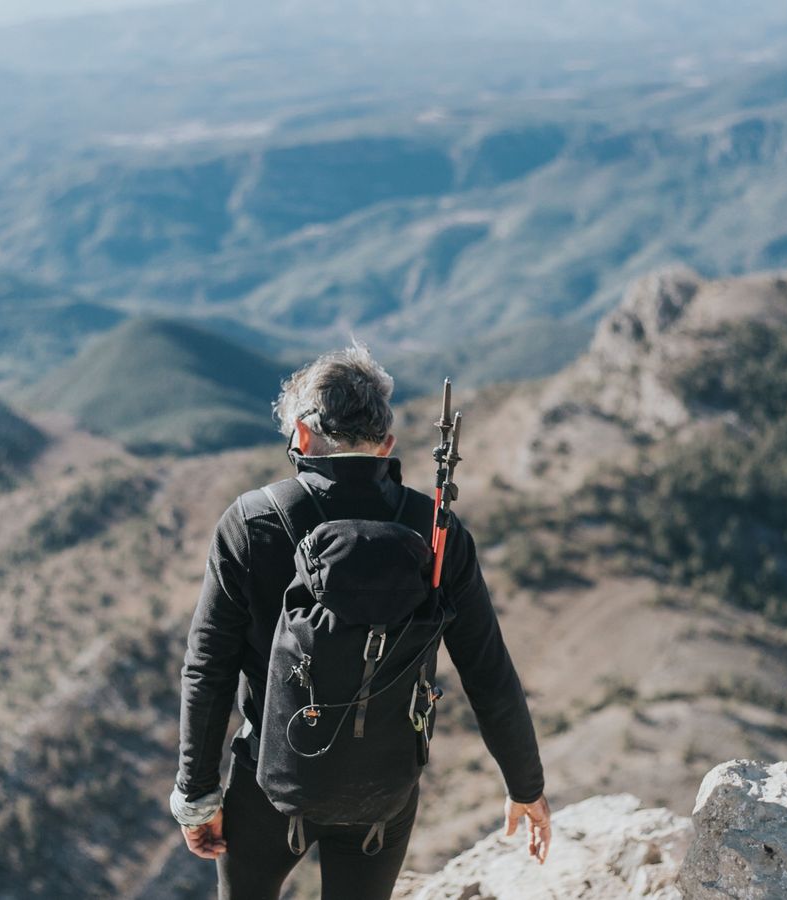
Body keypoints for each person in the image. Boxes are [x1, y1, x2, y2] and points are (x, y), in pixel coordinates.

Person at [169, 344, 551, 900]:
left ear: (301, 437)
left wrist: (197, 795)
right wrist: (525, 785)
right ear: (386, 444)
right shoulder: (435, 529)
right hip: (383, 792)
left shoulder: (252, 522)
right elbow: (486, 669)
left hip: (267, 782)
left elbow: (208, 669)